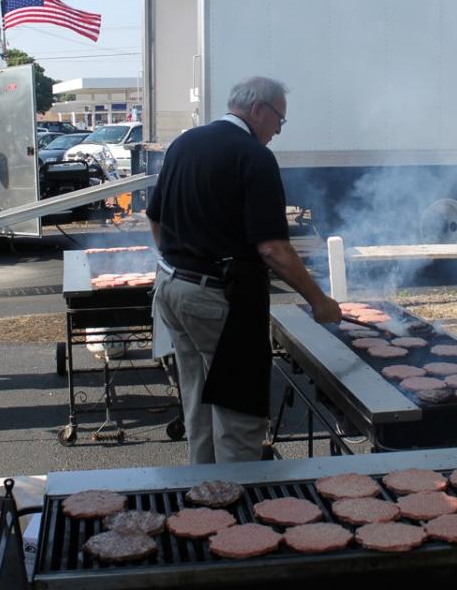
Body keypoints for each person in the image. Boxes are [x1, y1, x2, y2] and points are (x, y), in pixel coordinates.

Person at [146, 76, 340, 464]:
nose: (277, 132)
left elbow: (155, 218)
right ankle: (237, 512)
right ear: (258, 110)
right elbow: (273, 249)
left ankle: (202, 509)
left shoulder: (184, 143)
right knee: (238, 419)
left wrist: (176, 258)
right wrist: (319, 301)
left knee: (199, 408)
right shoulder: (253, 156)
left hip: (171, 288)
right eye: (279, 122)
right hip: (219, 299)